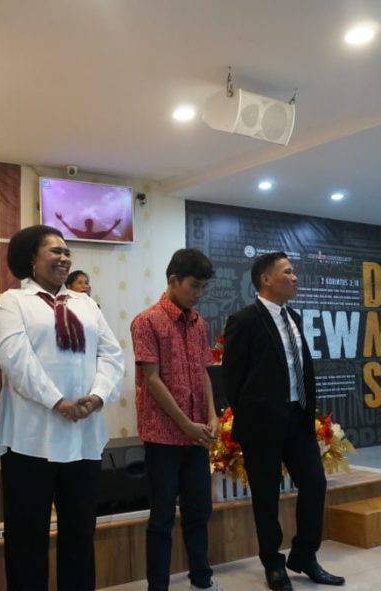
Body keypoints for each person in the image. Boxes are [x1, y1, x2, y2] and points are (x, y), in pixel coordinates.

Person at [0, 224, 125, 591]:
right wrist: (57, 401)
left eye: (67, 251)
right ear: (30, 259)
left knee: (80, 533)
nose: (64, 257)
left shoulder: (86, 304)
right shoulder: (13, 302)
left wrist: (97, 396)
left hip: (84, 437)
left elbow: (112, 355)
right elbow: (15, 359)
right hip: (30, 439)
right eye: (54, 251)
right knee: (27, 536)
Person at [222, 252, 343, 591]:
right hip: (261, 425)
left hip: (297, 419)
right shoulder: (244, 320)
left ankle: (304, 555)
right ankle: (273, 564)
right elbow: (231, 379)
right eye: (287, 272)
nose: (295, 277)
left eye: (294, 272)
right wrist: (252, 414)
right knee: (266, 497)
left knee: (315, 483)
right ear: (266, 279)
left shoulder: (294, 317)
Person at [130, 248, 222, 591]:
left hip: (197, 434)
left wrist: (212, 414)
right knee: (162, 517)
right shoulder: (147, 321)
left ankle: (202, 579)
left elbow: (204, 372)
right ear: (173, 280)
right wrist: (184, 423)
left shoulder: (199, 324)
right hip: (163, 436)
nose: (199, 294)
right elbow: (152, 379)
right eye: (194, 286)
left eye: (204, 288)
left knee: (199, 511)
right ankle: (158, 586)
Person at [54, 212, 122, 240]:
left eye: (90, 223)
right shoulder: (95, 235)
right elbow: (69, 228)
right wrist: (61, 220)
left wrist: (61, 220)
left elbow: (69, 228)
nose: (89, 225)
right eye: (88, 223)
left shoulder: (82, 234)